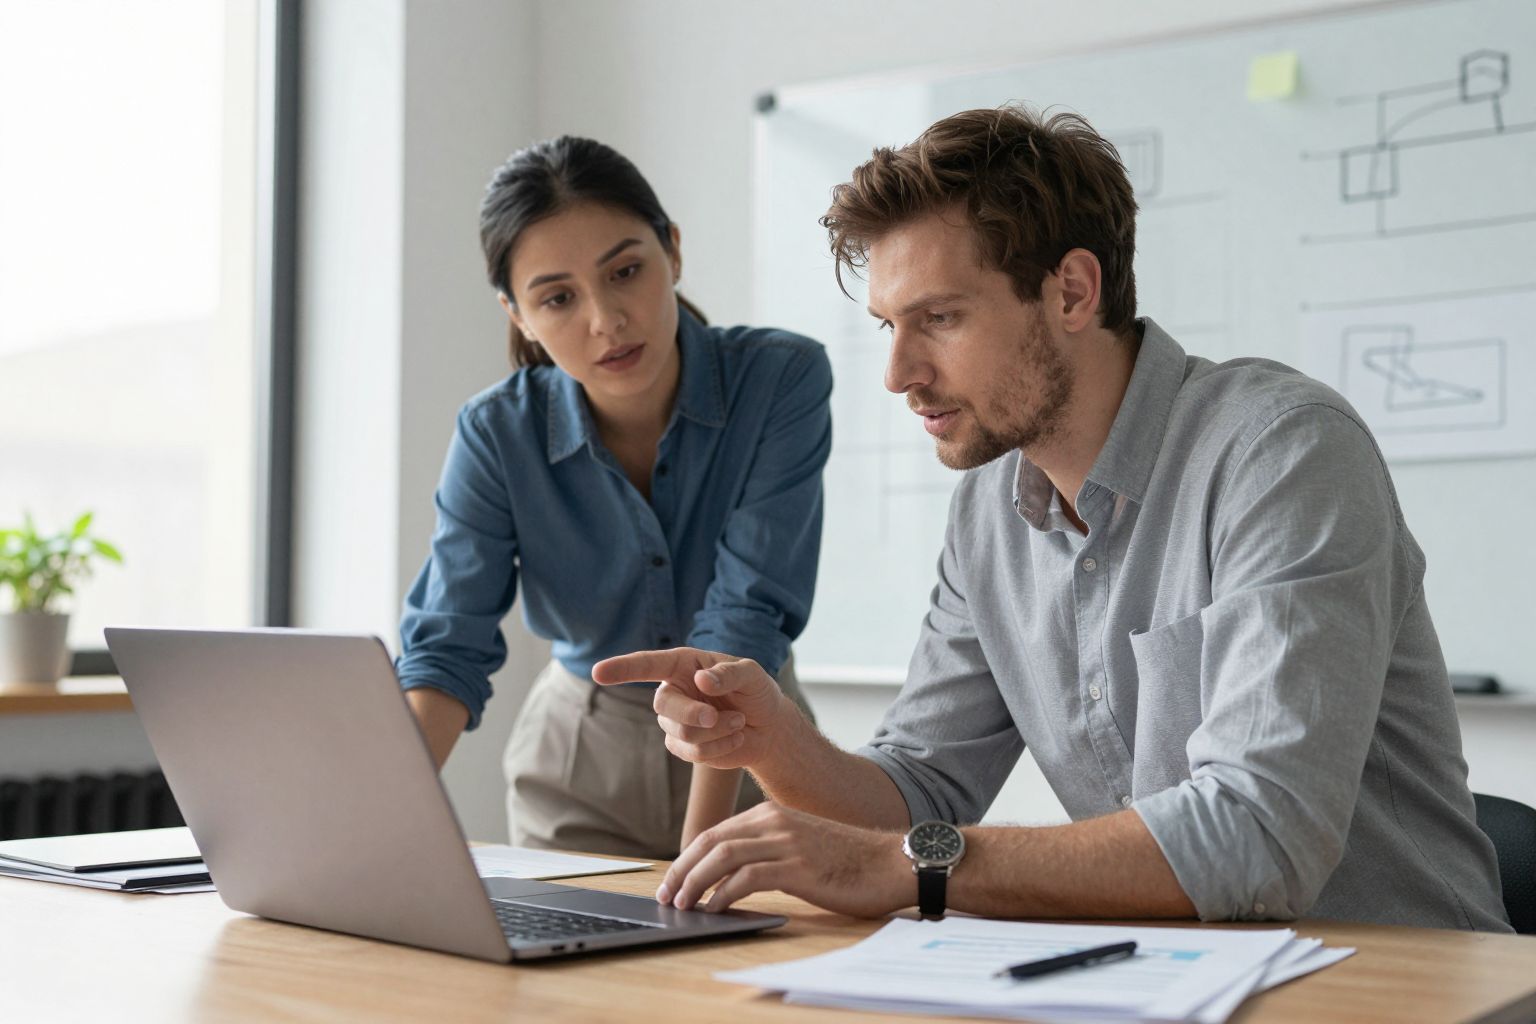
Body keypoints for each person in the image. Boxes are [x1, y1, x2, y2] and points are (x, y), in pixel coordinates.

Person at [594, 105, 1512, 931]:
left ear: (1073, 291)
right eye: (888, 327)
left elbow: (1258, 835)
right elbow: (920, 792)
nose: (898, 373)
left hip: (1404, 985)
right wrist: (776, 743)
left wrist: (904, 868)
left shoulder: (1282, 452)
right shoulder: (989, 512)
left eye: (940, 318)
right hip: (1177, 985)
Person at [397, 136, 829, 859]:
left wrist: (700, 855)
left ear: (674, 252)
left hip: (752, 742)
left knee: (759, 962)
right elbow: (448, 646)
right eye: (558, 297)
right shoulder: (496, 433)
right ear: (518, 315)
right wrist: (366, 837)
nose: (606, 320)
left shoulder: (781, 380)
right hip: (578, 761)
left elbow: (744, 618)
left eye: (626, 271)